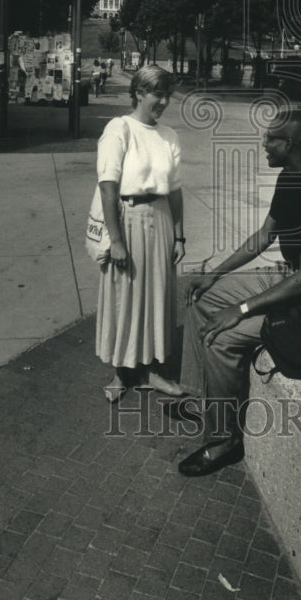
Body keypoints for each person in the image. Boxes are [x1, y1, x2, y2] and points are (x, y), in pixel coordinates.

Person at [170, 107, 301, 477]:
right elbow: (264, 236)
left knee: (221, 337)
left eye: (271, 139)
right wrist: (215, 273)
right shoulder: (290, 177)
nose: (264, 144)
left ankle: (225, 441)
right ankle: (199, 396)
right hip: (290, 276)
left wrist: (240, 309)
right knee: (196, 295)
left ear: (293, 143)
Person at [96, 64, 188, 402]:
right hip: (128, 218)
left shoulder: (169, 136)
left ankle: (150, 372)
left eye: (167, 94)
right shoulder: (119, 129)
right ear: (138, 93)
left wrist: (179, 236)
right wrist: (116, 240)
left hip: (161, 219)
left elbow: (175, 190)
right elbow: (108, 187)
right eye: (156, 94)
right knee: (126, 295)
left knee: (157, 296)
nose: (163, 101)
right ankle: (121, 373)